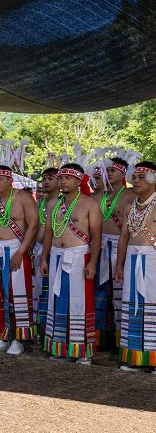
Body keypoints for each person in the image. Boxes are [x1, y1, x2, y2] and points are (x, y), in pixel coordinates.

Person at [40, 164, 102, 364]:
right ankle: (60, 347)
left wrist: (92, 262)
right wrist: (43, 258)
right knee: (58, 301)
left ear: (78, 181)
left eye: (68, 178)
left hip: (78, 257)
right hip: (57, 256)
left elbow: (97, 236)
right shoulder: (53, 204)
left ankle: (83, 351)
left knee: (80, 303)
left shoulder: (90, 204)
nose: (63, 181)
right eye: (61, 177)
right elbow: (48, 233)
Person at [0, 166, 40, 354]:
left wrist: (21, 252)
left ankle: (19, 340)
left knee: (17, 295)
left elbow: (34, 225)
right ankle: (2, 336)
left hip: (16, 250)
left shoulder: (22, 197)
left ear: (9, 180)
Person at [114, 161, 156, 372]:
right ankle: (136, 358)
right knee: (133, 308)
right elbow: (124, 237)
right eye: (134, 177)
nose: (136, 181)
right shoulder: (130, 206)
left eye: (141, 177)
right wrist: (119, 264)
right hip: (132, 260)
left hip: (153, 262)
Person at [94, 158, 135, 351]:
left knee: (120, 292)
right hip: (100, 246)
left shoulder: (130, 194)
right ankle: (102, 338)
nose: (109, 174)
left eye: (113, 171)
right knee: (101, 292)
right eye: (107, 171)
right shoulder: (99, 195)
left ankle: (121, 340)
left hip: (120, 246)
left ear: (124, 173)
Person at [33, 169, 59, 340]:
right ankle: (41, 329)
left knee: (52, 292)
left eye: (51, 178)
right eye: (44, 179)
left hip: (54, 253)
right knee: (39, 292)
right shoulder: (41, 203)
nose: (46, 182)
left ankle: (53, 330)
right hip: (38, 251)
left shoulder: (61, 203)